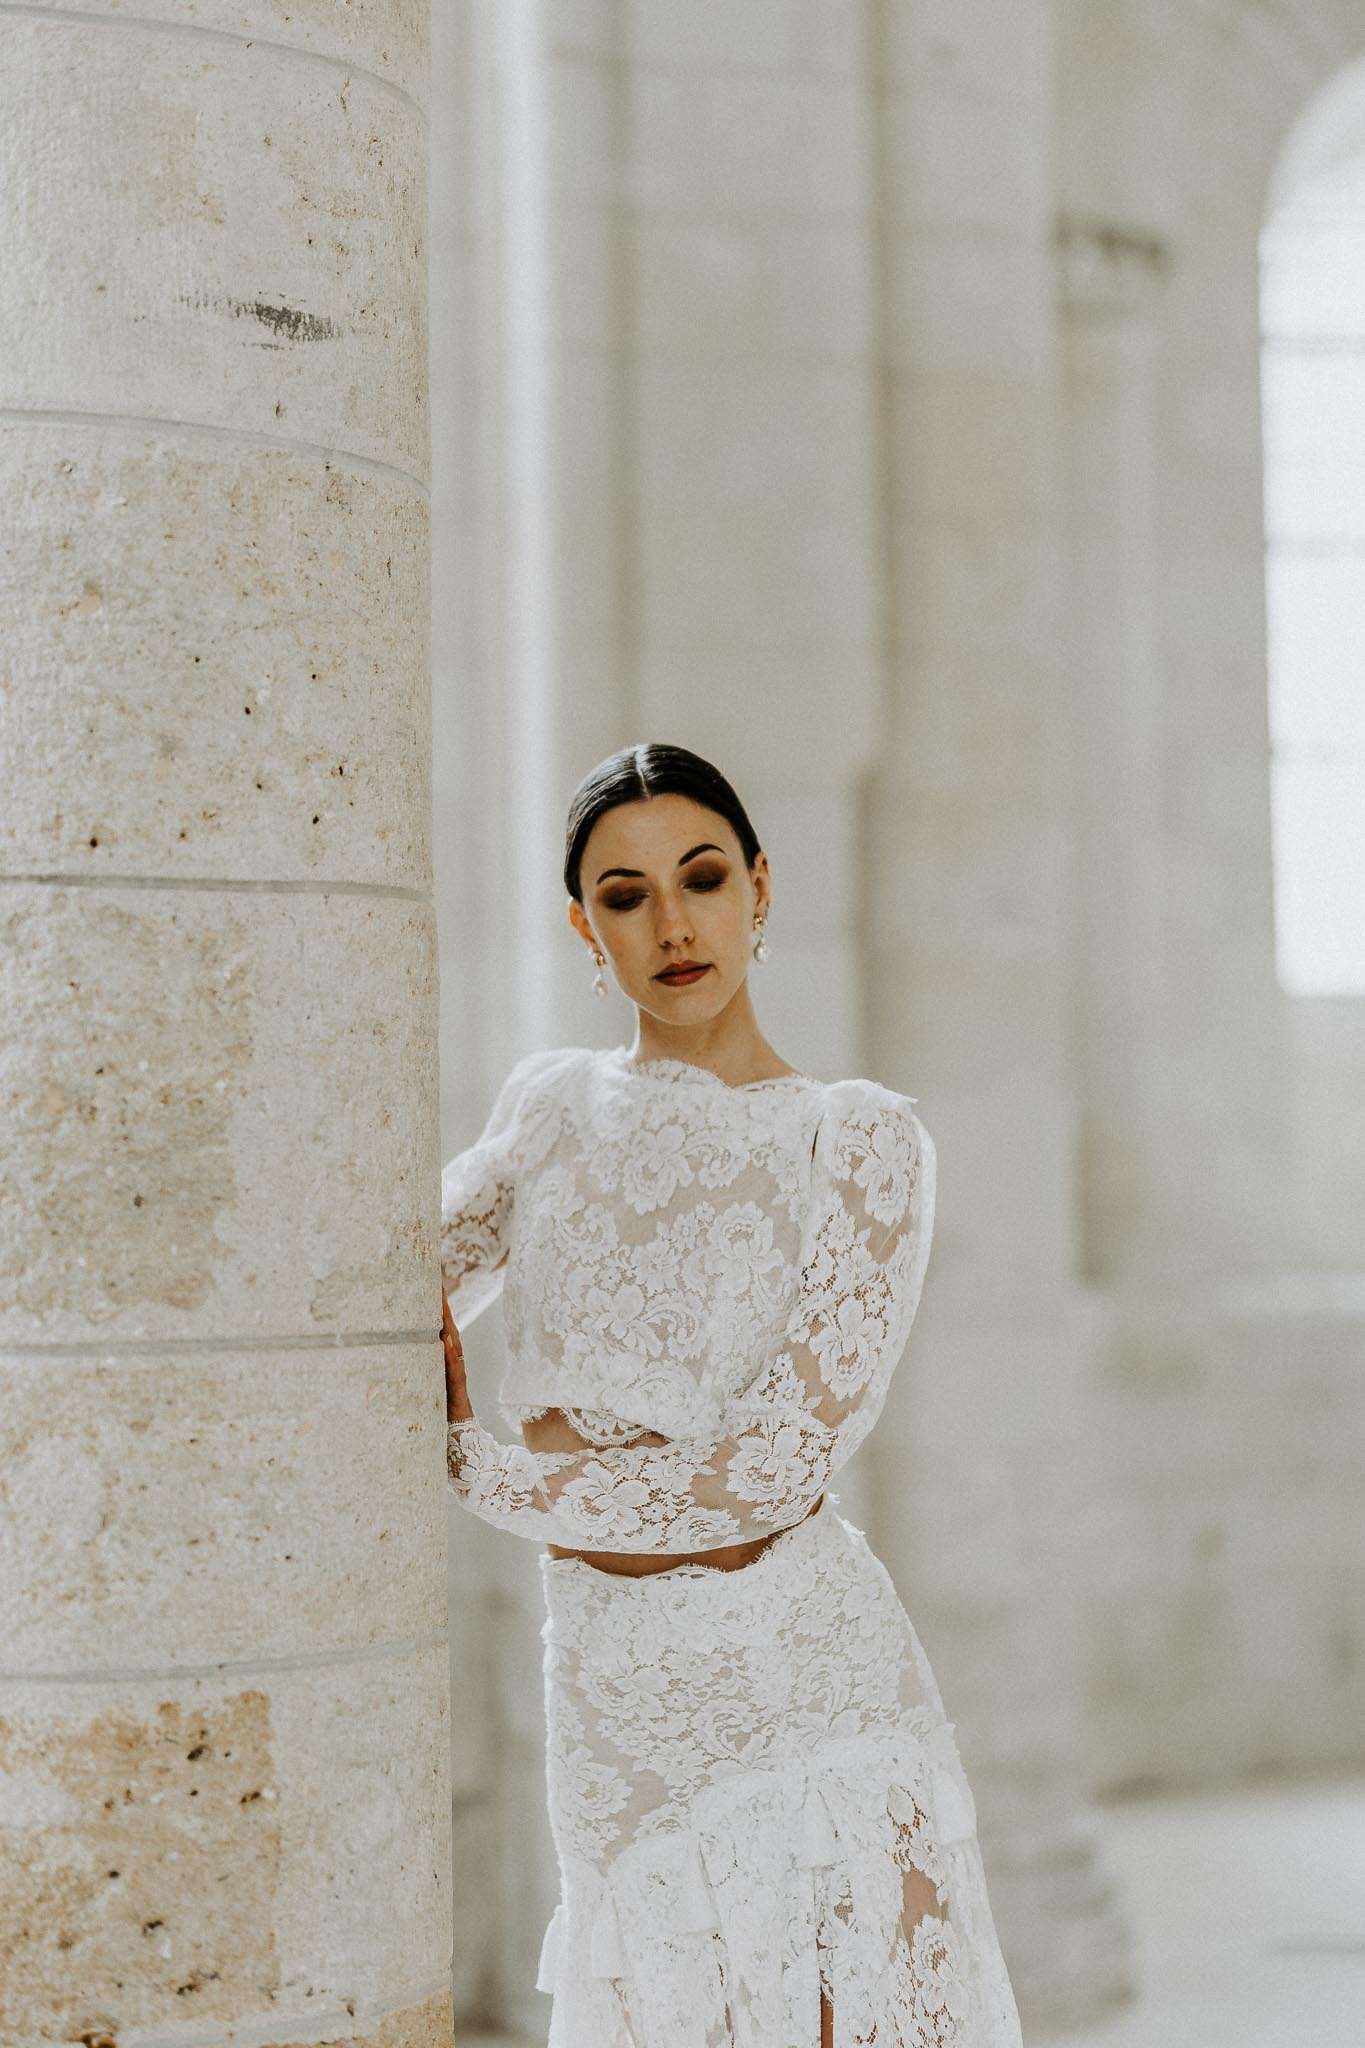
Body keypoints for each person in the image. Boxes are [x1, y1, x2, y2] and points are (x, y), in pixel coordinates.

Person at [439, 742, 1024, 2046]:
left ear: (760, 889)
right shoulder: (548, 1110)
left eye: (702, 878)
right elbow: (379, 1287)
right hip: (611, 1691)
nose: (674, 922)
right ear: (584, 930)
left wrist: (474, 1467)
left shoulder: (852, 1139)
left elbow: (768, 1471)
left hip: (797, 1670)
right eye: (627, 894)